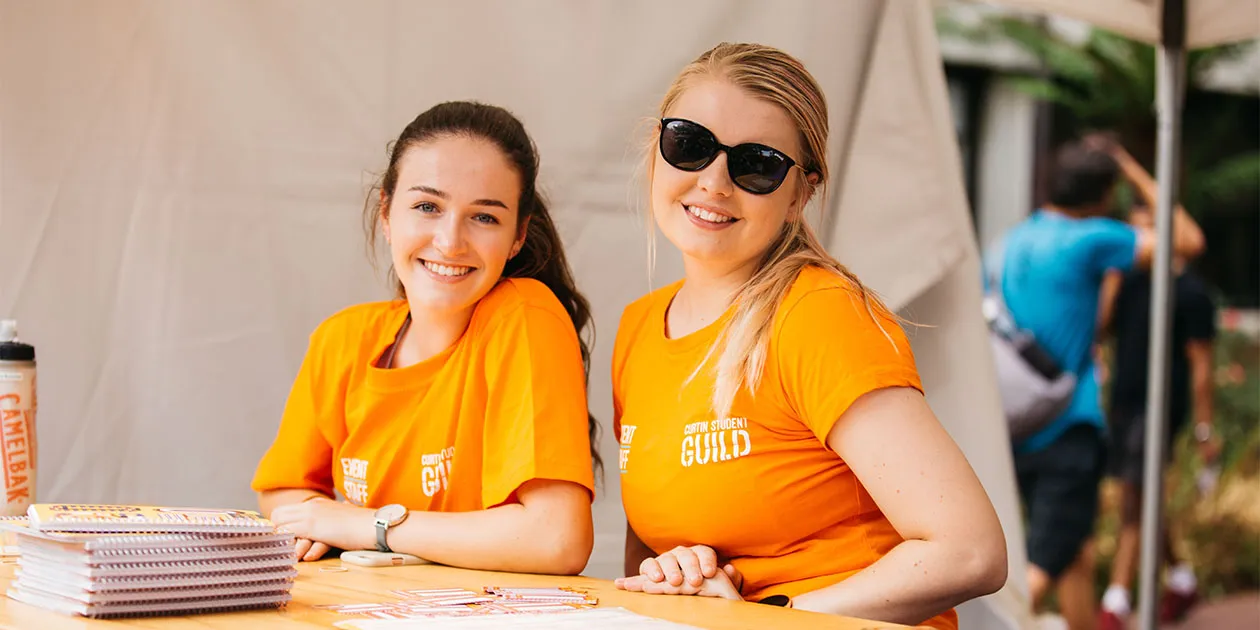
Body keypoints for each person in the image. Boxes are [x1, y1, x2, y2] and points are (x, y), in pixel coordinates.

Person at [610, 42, 1007, 630]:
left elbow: (971, 551)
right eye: (689, 146)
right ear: (657, 152)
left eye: (758, 164)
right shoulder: (639, 326)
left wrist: (766, 616)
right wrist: (680, 575)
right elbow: (647, 565)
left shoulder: (817, 314)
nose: (715, 182)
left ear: (801, 193)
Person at [251, 101, 598, 575]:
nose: (450, 242)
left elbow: (557, 540)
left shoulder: (525, 315)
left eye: (484, 217)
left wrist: (365, 527)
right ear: (387, 214)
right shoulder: (343, 337)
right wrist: (319, 523)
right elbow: (282, 492)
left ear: (518, 237)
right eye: (427, 207)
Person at [994, 135, 1205, 629]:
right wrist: (1131, 166)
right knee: (1051, 553)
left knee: (1076, 552)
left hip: (1016, 417)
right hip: (1068, 424)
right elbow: (1188, 240)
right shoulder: (1090, 239)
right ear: (1104, 193)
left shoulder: (1014, 239)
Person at [1095, 205, 1218, 630]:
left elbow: (1202, 368)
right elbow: (1102, 327)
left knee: (1134, 495)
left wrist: (1205, 430)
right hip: (1125, 403)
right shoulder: (1127, 284)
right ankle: (1182, 578)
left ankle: (1116, 599)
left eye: (1146, 229)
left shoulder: (1190, 293)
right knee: (1142, 494)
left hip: (1160, 406)